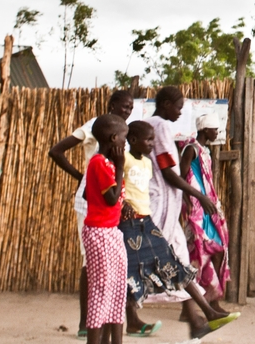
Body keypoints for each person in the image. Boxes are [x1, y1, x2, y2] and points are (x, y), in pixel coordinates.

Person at [120, 120, 238, 339]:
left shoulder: (146, 163)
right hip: (129, 226)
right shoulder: (124, 159)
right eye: (148, 140)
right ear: (133, 140)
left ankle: (207, 313)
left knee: (175, 266)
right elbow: (121, 186)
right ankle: (120, 325)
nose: (153, 144)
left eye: (153, 140)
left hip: (147, 223)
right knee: (129, 275)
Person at [48, 89, 135, 338]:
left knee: (113, 280)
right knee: (96, 272)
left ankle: (104, 327)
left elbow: (112, 192)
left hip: (107, 207)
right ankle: (87, 324)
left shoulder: (113, 150)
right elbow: (56, 151)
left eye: (130, 108)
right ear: (111, 105)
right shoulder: (97, 131)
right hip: (97, 212)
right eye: (123, 107)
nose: (127, 111)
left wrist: (120, 199)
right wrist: (83, 179)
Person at [144, 86, 225, 336]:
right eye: (178, 107)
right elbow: (169, 172)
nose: (180, 112)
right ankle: (122, 319)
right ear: (166, 104)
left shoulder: (152, 124)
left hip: (165, 202)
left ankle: (197, 320)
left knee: (179, 259)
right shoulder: (161, 127)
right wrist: (198, 195)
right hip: (161, 205)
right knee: (145, 261)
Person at [82, 114, 128, 344]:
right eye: (124, 139)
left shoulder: (106, 163)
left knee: (118, 290)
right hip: (99, 233)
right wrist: (120, 168)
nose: (125, 144)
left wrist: (124, 206)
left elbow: (114, 199)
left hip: (112, 231)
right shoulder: (99, 163)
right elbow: (110, 199)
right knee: (101, 292)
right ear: (113, 138)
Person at [178, 118, 230, 313]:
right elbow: (182, 176)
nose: (216, 132)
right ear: (204, 129)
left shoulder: (204, 151)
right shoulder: (191, 148)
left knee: (213, 251)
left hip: (207, 207)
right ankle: (193, 308)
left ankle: (210, 301)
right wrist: (189, 202)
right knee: (199, 254)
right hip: (197, 209)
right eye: (214, 129)